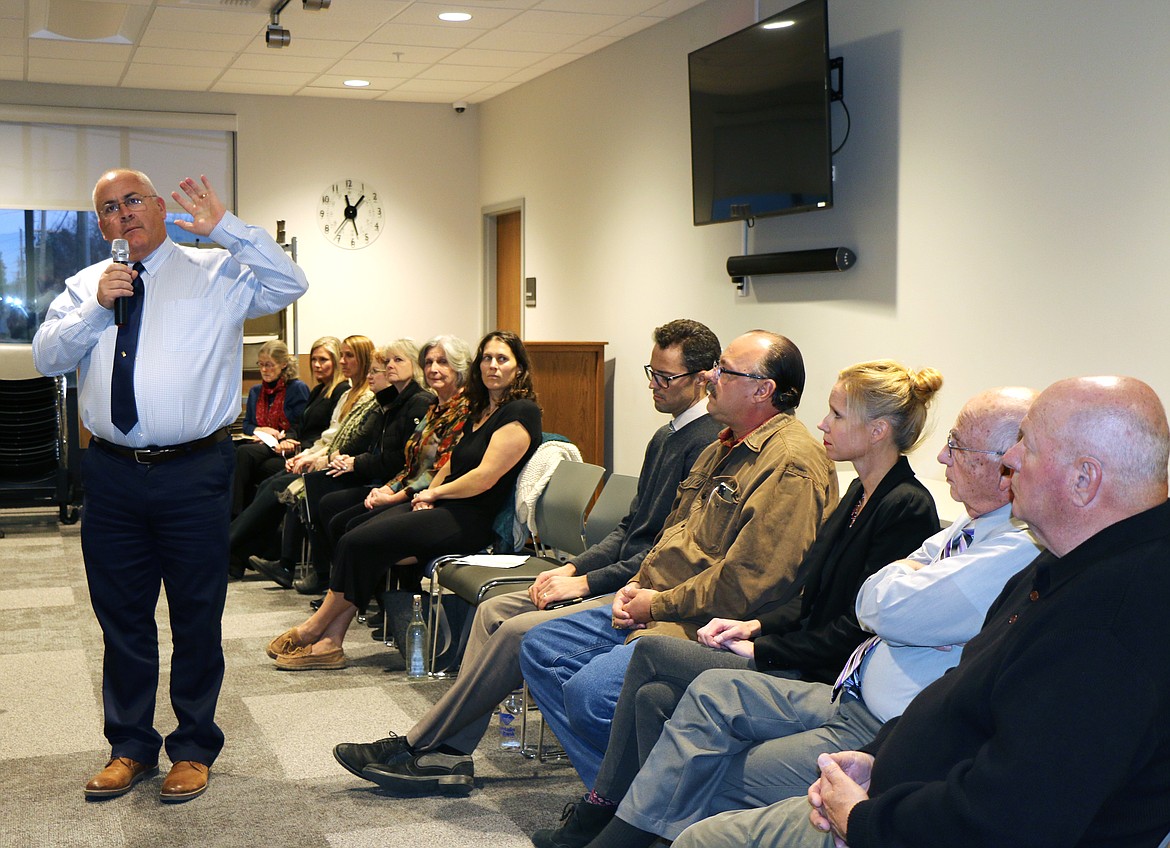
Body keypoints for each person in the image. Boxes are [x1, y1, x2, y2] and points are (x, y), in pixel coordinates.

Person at [678, 377, 1170, 848]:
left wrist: (865, 820)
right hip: (896, 787)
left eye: (1029, 446)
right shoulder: (1067, 564)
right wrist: (876, 760)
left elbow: (1008, 822)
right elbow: (962, 695)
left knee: (703, 837)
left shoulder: (1111, 624)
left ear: (1084, 479)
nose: (1012, 460)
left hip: (904, 826)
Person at [557, 387, 1043, 848]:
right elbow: (854, 597)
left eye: (956, 446)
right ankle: (628, 821)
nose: (943, 456)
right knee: (682, 693)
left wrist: (765, 645)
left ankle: (621, 823)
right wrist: (757, 629)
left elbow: (868, 610)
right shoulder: (919, 512)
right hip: (842, 689)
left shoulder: (961, 526)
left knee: (668, 717)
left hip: (867, 713)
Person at [338, 318, 723, 794]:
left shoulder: (709, 443)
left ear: (704, 378)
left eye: (666, 378)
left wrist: (585, 582)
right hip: (622, 575)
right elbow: (631, 530)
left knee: (517, 627)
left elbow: (664, 553)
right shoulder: (666, 437)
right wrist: (572, 566)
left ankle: (421, 746)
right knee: (493, 609)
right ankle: (452, 754)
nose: (652, 385)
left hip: (641, 592)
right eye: (652, 371)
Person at [31, 170, 308, 802]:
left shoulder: (217, 274)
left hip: (193, 471)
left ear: (159, 208)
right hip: (111, 473)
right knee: (121, 616)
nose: (122, 214)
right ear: (100, 224)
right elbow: (48, 357)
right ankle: (129, 746)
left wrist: (229, 231)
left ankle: (192, 746)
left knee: (195, 612)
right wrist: (99, 306)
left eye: (133, 201)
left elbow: (292, 282)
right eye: (108, 208)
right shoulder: (86, 286)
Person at [518, 330, 839, 790]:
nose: (710, 377)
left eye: (724, 370)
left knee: (590, 693)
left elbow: (747, 585)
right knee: (540, 648)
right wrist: (633, 590)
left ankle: (632, 803)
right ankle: (621, 795)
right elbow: (671, 537)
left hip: (709, 625)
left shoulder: (790, 464)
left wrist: (655, 604)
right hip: (659, 603)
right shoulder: (720, 446)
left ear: (762, 390)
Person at [266, 330, 542, 670]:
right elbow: (451, 462)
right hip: (445, 505)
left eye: (502, 359)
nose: (493, 366)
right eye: (487, 358)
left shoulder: (521, 412)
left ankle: (314, 630)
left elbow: (484, 477)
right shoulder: (483, 409)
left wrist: (432, 493)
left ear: (519, 367)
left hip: (471, 519)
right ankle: (331, 644)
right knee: (357, 536)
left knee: (360, 542)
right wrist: (427, 494)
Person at [250, 338, 436, 588]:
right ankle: (324, 576)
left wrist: (353, 463)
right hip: (378, 474)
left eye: (396, 361)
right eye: (387, 362)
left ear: (414, 366)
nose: (389, 366)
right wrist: (341, 459)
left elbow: (397, 459)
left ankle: (336, 581)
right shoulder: (389, 401)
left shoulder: (414, 402)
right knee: (290, 478)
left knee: (320, 493)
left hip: (394, 483)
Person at [302, 335, 474, 595]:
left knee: (353, 528)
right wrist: (389, 489)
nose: (433, 369)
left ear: (459, 368)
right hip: (409, 488)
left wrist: (394, 494)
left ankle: (381, 599)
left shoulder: (459, 408)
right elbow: (410, 462)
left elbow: (437, 469)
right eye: (429, 362)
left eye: (442, 362)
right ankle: (370, 599)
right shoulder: (434, 407)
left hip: (439, 498)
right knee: (335, 512)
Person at [227, 334, 376, 577]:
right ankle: (238, 553)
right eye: (315, 359)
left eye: (327, 359)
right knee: (257, 470)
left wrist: (308, 454)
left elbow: (342, 441)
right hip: (309, 451)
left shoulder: (350, 393)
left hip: (327, 461)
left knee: (273, 481)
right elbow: (312, 429)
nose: (319, 364)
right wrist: (304, 451)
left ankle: (230, 544)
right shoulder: (325, 391)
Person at [232, 336, 346, 517]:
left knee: (250, 458)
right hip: (285, 443)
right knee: (240, 452)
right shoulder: (317, 390)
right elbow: (300, 424)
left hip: (302, 448)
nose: (264, 370)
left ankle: (239, 520)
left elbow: (318, 430)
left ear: (283, 364)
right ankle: (238, 516)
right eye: (314, 360)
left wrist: (290, 440)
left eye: (269, 365)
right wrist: (261, 431)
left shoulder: (313, 389)